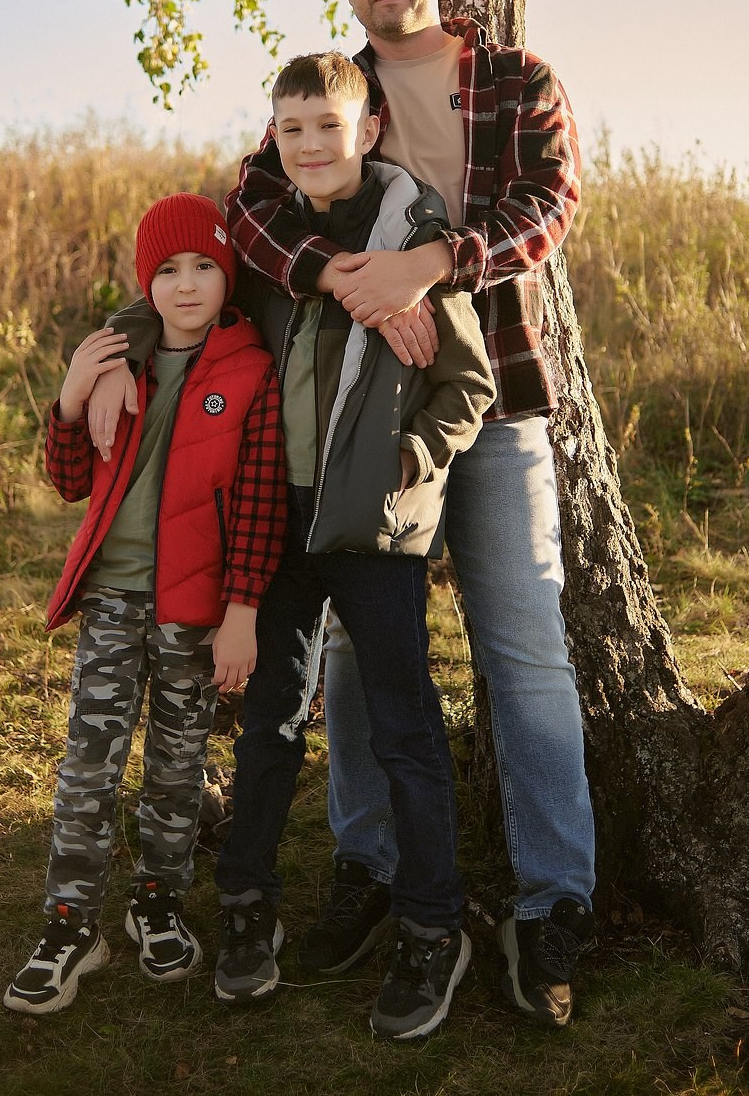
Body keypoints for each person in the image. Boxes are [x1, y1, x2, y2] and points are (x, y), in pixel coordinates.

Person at [223, 0, 597, 1028]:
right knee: (351, 653)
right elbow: (249, 205)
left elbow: (551, 203)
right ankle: (373, 871)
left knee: (523, 645)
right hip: (358, 429)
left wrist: (430, 263)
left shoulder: (519, 80)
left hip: (500, 394)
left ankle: (551, 904)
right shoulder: (339, 93)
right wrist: (344, 280)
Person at [99, 54, 495, 1040]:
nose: (312, 144)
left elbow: (469, 386)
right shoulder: (261, 245)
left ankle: (433, 929)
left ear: (367, 133)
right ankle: (247, 910)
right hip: (270, 527)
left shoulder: (413, 243)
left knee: (406, 730)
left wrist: (411, 455)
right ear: (274, 137)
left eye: (330, 125)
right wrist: (98, 353)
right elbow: (176, 304)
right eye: (293, 128)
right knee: (272, 720)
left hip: (376, 533)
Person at [3, 193, 286, 1016]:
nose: (187, 285)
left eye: (203, 266)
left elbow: (263, 504)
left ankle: (156, 901)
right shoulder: (116, 358)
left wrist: (241, 612)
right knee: (88, 764)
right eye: (166, 271)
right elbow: (67, 482)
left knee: (176, 763)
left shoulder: (251, 369)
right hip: (114, 598)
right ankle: (70, 924)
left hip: (196, 609)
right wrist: (69, 395)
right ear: (145, 282)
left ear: (226, 273)